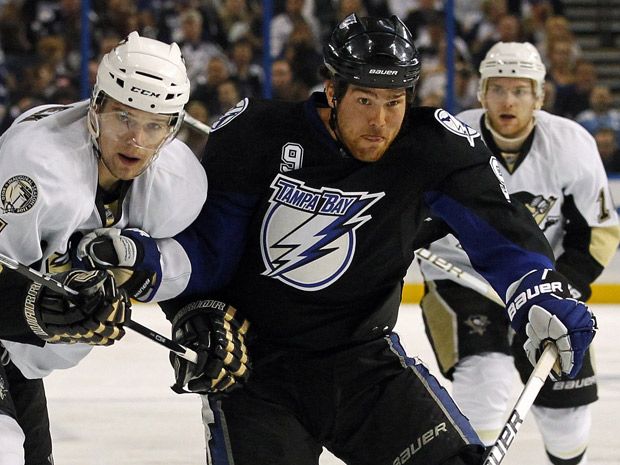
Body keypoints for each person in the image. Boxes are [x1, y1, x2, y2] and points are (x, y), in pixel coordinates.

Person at [79, 16, 597, 465]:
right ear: (332, 92)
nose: (380, 121)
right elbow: (208, 253)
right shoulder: (258, 134)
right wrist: (179, 293)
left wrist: (536, 290)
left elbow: (501, 231)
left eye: (395, 102)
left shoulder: (432, 147)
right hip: (257, 373)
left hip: (364, 365)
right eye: (365, 100)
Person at [0, 32, 207, 465]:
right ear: (95, 108)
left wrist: (201, 313)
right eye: (124, 118)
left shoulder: (176, 183)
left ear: (173, 127)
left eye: (154, 125)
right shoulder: (36, 169)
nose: (135, 140)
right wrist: (41, 310)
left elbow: (192, 261)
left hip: (19, 360)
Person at [419, 42, 620, 465]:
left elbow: (600, 230)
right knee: (483, 387)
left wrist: (562, 287)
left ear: (539, 97)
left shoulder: (570, 144)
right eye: (497, 89)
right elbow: (412, 209)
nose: (508, 101)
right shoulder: (451, 137)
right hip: (463, 280)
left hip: (547, 284)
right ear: (481, 93)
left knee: (567, 424)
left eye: (520, 90)